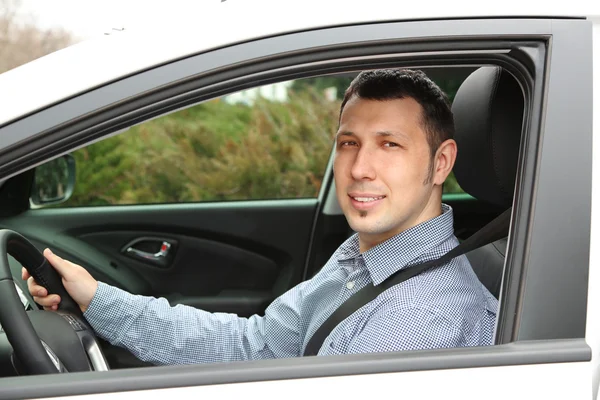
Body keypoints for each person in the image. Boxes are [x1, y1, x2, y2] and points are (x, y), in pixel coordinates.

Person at [23, 69, 498, 365]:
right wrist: (98, 299)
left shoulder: (426, 322)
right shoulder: (364, 257)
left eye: (389, 145)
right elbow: (256, 346)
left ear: (440, 163)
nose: (358, 169)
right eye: (349, 143)